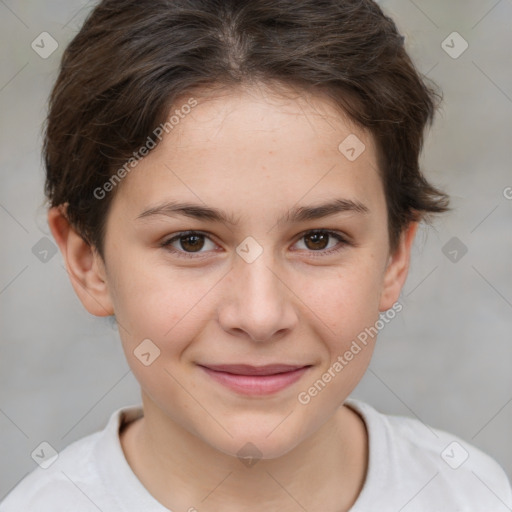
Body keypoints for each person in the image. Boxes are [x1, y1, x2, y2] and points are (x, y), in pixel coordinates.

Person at [1, 0, 511, 510]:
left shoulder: (472, 494)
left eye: (318, 239)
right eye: (191, 241)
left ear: (396, 256)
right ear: (87, 260)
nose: (260, 316)